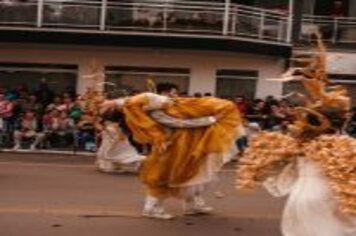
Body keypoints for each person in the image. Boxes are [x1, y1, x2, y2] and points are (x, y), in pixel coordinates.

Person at [236, 35, 356, 236]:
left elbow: (275, 173)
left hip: (298, 197)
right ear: (342, 122)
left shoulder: (298, 145)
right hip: (327, 199)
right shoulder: (346, 144)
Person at [103, 83, 242, 219]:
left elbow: (131, 102)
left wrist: (114, 102)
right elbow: (177, 123)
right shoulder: (155, 111)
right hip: (172, 147)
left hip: (185, 145)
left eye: (174, 93)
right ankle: (151, 209)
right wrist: (210, 119)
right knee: (166, 176)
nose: (174, 96)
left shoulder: (162, 105)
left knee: (196, 172)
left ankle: (192, 205)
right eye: (172, 93)